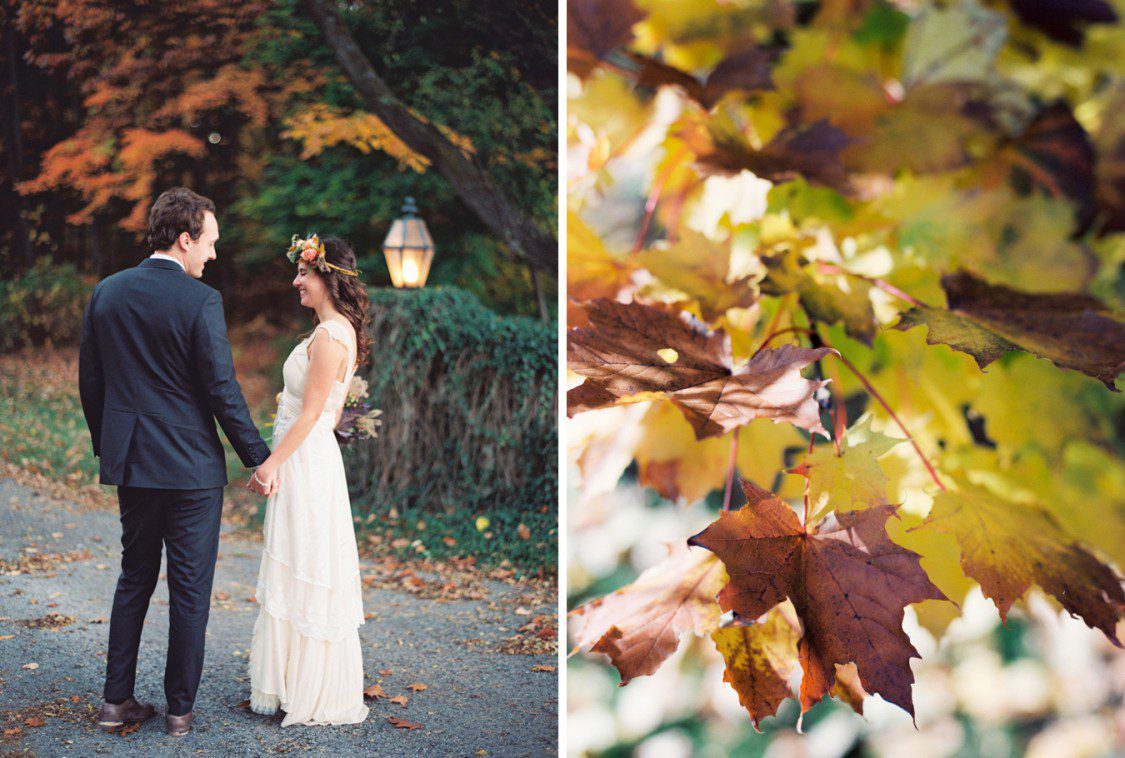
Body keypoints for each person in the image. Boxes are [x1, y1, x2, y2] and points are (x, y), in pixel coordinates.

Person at [79, 187, 275, 737]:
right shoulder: (200, 300)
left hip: (134, 464)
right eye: (209, 243)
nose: (212, 255)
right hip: (191, 469)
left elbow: (91, 384)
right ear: (185, 238)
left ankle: (115, 702)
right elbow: (221, 388)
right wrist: (258, 458)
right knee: (190, 588)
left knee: (134, 576)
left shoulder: (107, 293)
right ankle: (179, 713)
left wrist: (111, 445)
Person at [246, 234, 373, 726]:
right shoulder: (336, 331)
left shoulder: (329, 335)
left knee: (305, 563)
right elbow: (331, 411)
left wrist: (272, 462)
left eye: (304, 273)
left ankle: (311, 688)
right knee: (302, 559)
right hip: (310, 456)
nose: (296, 281)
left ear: (327, 278)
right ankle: (294, 681)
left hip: (304, 458)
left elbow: (317, 412)